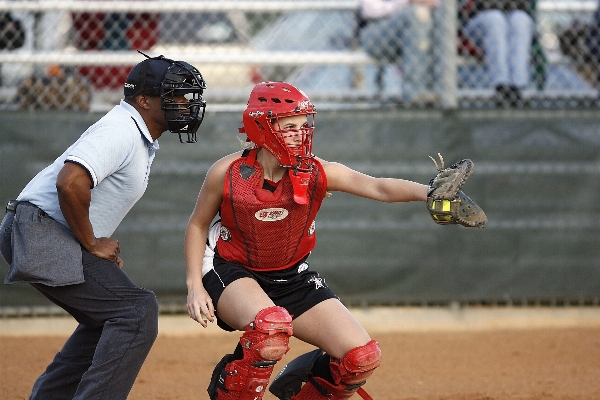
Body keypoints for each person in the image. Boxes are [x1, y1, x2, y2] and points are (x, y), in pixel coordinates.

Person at [184, 81, 430, 400]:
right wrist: (194, 285)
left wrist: (430, 193)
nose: (300, 134)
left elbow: (379, 187)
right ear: (261, 127)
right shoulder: (227, 172)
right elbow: (197, 225)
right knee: (270, 331)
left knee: (360, 358)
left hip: (292, 276)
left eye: (303, 125)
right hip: (233, 271)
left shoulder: (315, 171)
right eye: (289, 127)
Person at [0, 53, 207, 399]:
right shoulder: (122, 129)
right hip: (38, 231)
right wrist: (91, 243)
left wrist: (89, 246)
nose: (185, 104)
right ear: (143, 100)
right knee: (136, 313)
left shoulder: (133, 132)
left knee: (110, 317)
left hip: (40, 229)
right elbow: (70, 182)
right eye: (175, 95)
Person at [357, 0, 441, 105]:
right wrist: (407, 2)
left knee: (437, 14)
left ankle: (441, 90)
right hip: (375, 32)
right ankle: (415, 92)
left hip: (417, 30)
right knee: (416, 12)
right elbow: (371, 10)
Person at [459, 0, 536, 107]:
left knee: (520, 19)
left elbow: (523, 5)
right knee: (495, 18)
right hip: (478, 22)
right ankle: (502, 87)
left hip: (510, 21)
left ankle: (517, 88)